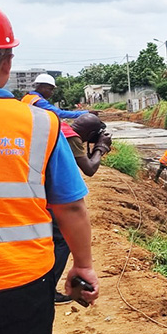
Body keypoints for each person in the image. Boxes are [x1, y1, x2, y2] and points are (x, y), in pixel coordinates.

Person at [0, 2, 99, 334]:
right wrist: (82, 266)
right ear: (8, 61)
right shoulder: (38, 125)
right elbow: (70, 208)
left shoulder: (45, 117)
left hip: (18, 280)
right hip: (18, 284)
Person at [53, 114, 112, 304]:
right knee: (62, 240)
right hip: (55, 196)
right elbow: (89, 168)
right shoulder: (73, 138)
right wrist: (100, 148)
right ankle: (49, 288)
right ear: (92, 133)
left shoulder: (62, 128)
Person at [21, 73, 93, 119]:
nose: (52, 92)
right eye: (50, 89)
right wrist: (86, 113)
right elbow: (59, 113)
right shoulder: (38, 101)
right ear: (42, 87)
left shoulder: (28, 97)